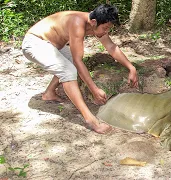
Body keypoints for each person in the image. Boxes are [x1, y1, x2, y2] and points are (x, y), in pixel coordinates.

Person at [22, 4, 138, 134]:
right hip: (34, 43)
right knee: (69, 70)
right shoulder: (77, 23)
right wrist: (94, 89)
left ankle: (49, 93)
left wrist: (131, 68)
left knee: (70, 61)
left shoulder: (97, 22)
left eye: (108, 29)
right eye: (105, 28)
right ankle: (90, 120)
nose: (106, 32)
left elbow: (111, 46)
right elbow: (78, 61)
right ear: (94, 22)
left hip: (53, 45)